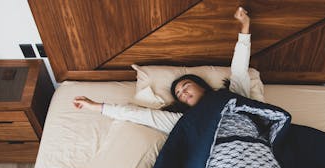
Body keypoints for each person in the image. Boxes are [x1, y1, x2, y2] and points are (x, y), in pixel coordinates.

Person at [73, 7, 252, 134]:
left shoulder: (233, 96)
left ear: (202, 86)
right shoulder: (183, 121)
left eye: (186, 86)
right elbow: (139, 115)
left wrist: (245, 27)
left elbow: (239, 70)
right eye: (179, 93)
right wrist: (96, 106)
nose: (183, 93)